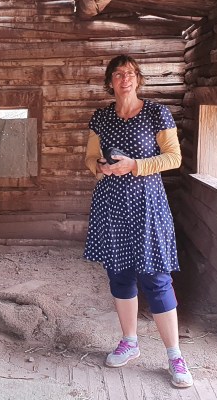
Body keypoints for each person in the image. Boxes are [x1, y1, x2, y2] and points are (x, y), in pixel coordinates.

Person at [83, 54, 191, 388]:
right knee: (119, 274)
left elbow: (173, 157)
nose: (124, 79)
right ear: (110, 82)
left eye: (130, 73)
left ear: (138, 79)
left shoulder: (156, 113)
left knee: (156, 278)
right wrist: (100, 167)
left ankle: (175, 356)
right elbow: (90, 158)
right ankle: (129, 342)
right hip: (111, 204)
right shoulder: (101, 117)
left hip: (147, 204)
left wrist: (135, 165)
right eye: (118, 74)